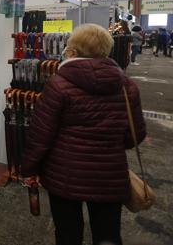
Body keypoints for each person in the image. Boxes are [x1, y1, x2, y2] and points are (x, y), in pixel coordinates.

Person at [21, 24, 146, 245]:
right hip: (110, 174)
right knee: (108, 235)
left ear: (73, 51)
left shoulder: (58, 85)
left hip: (64, 174)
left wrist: (29, 169)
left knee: (68, 234)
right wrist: (109, 144)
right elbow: (135, 135)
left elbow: (40, 135)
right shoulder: (127, 86)